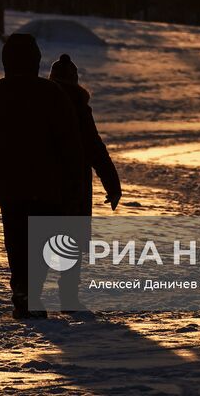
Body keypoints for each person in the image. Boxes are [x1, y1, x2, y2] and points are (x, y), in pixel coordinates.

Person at [0, 33, 84, 319]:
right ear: (35, 61)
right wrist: (72, 184)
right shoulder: (52, 94)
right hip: (47, 185)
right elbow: (70, 143)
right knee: (42, 239)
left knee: (17, 239)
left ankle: (24, 290)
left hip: (9, 185)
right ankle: (28, 292)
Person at [48, 53, 121, 310]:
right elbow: (95, 148)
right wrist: (112, 184)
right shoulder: (79, 104)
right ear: (75, 80)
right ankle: (68, 297)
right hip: (73, 184)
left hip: (42, 182)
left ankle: (29, 296)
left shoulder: (38, 103)